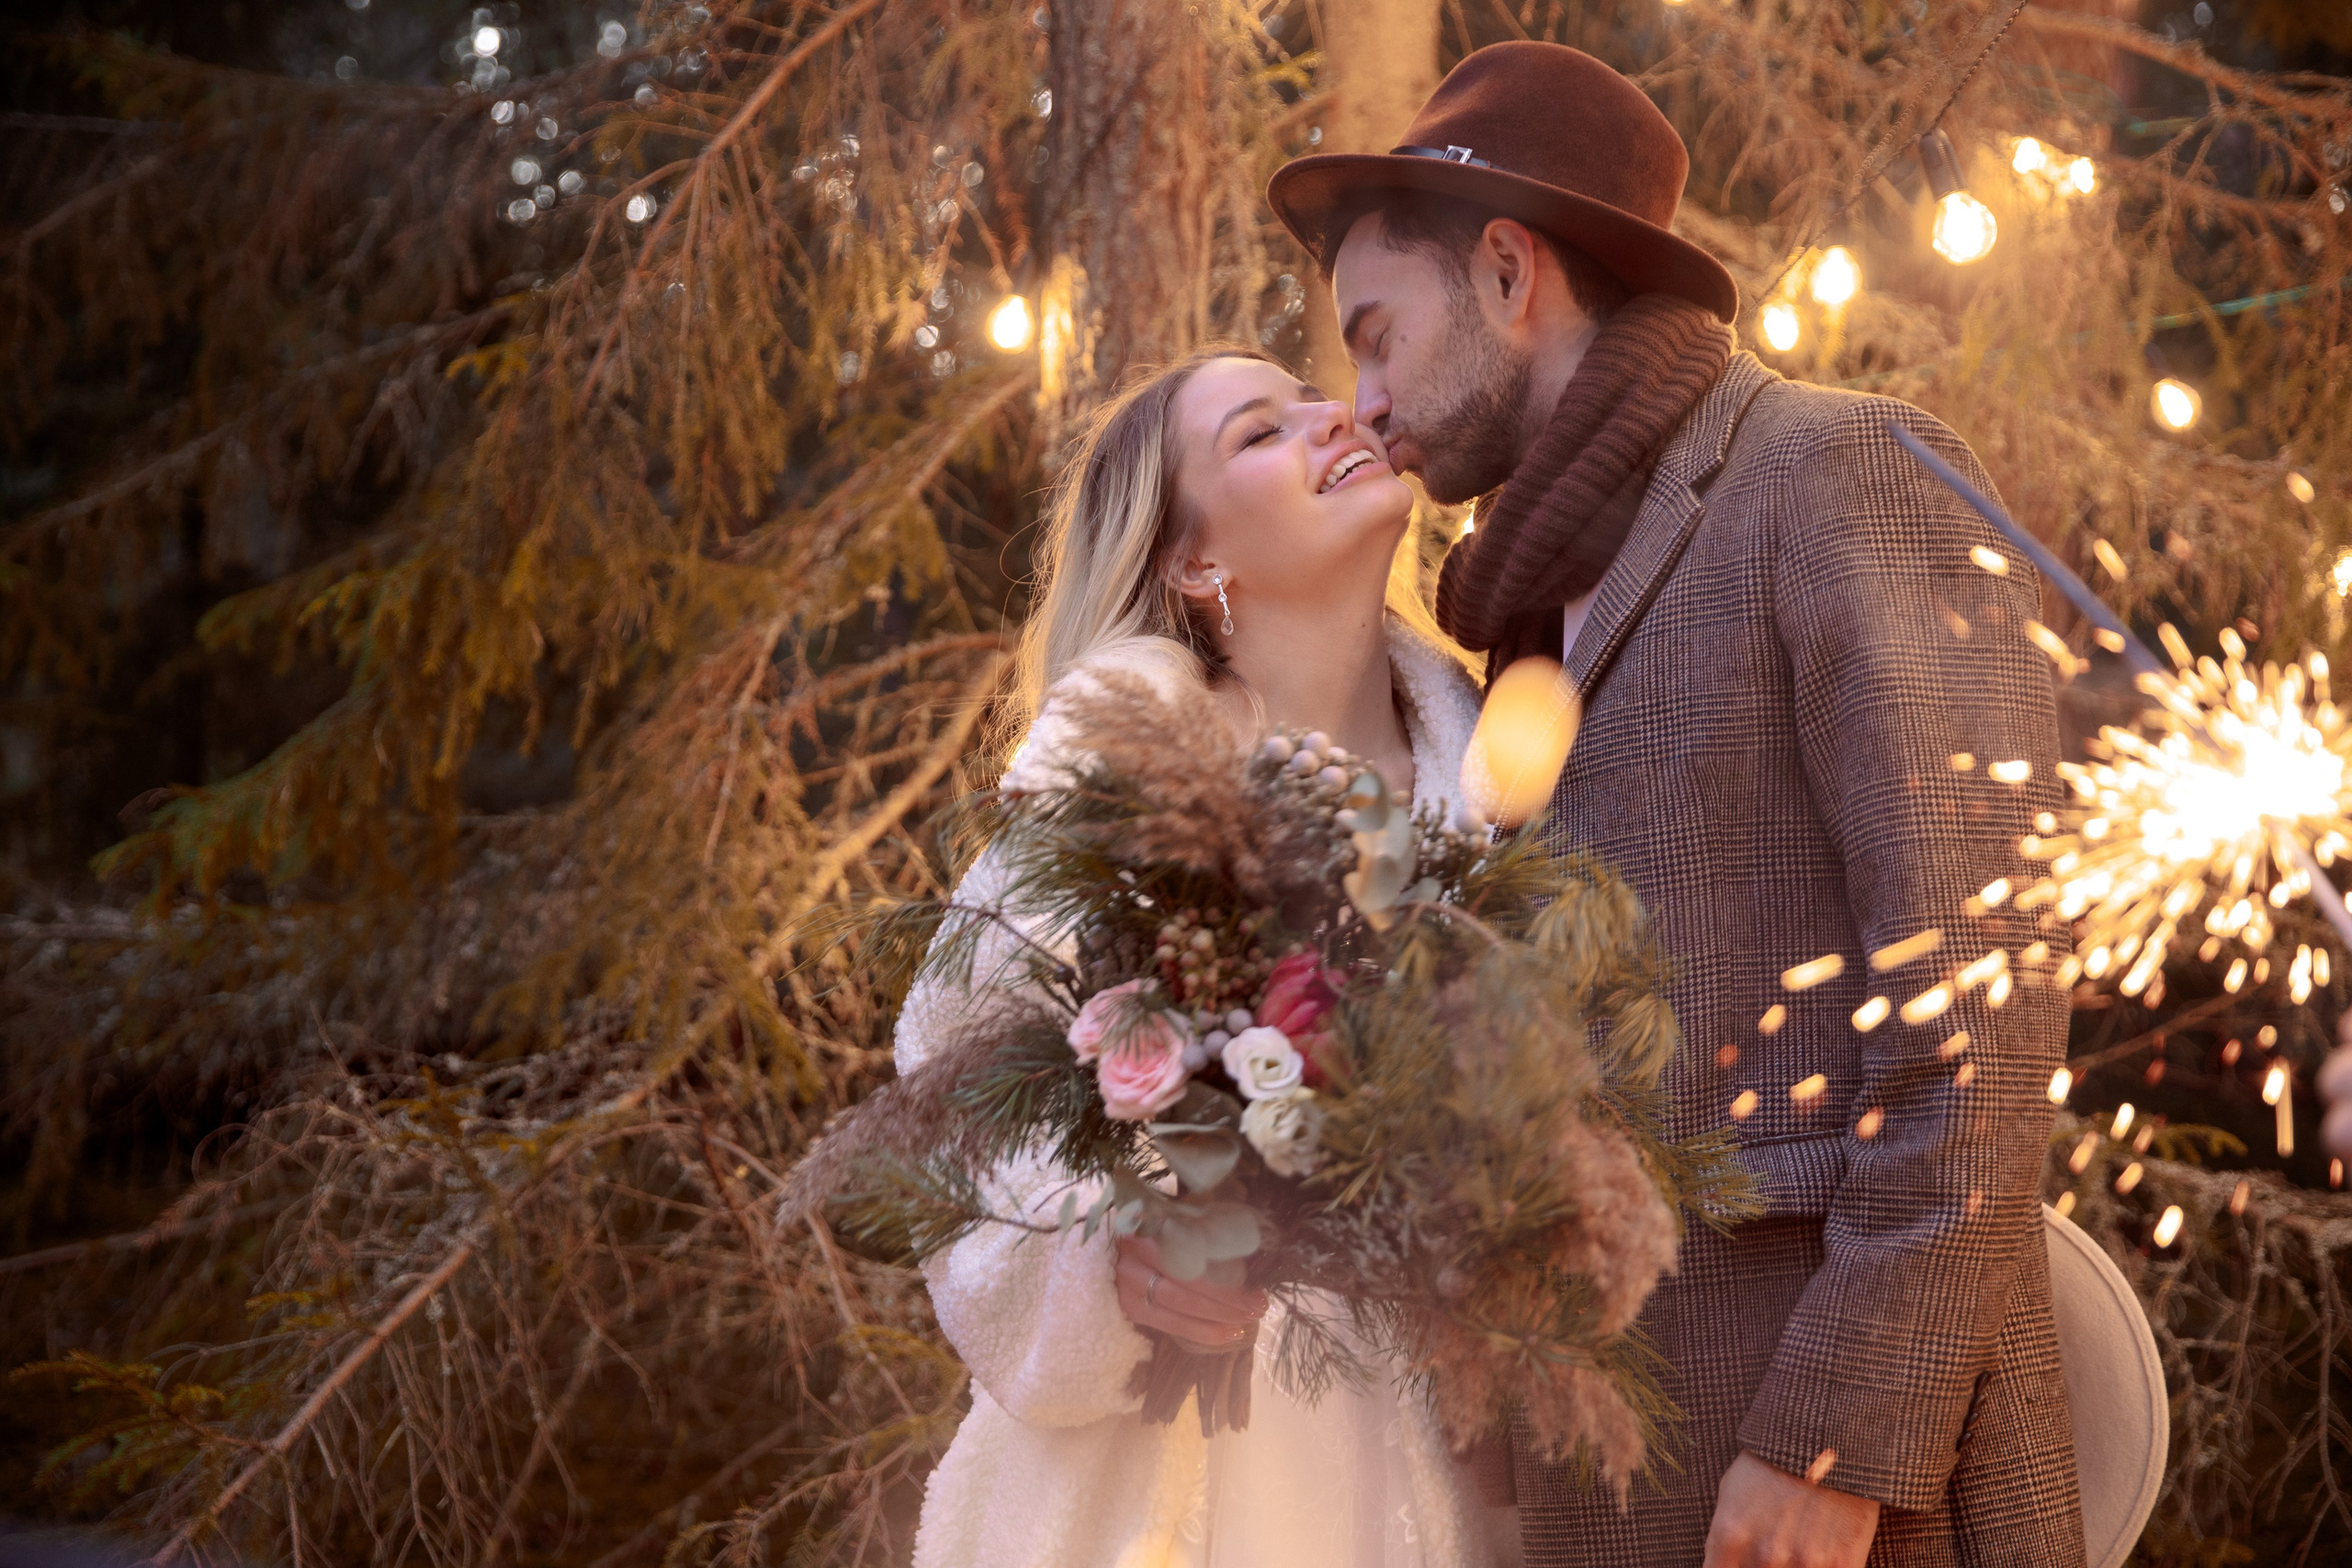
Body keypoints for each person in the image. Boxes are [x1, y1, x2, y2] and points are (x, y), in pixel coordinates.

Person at [1268, 40, 2086, 1568]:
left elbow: (1989, 993)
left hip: (1849, 1495)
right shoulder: (1518, 624)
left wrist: (1836, 1441)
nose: (1363, 404)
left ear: (1508, 271)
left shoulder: (1837, 471)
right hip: (1605, 1484)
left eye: (1378, 337)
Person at [895, 346, 1507, 1568]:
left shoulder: (1496, 787)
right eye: (1259, 432)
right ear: (1192, 561)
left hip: (1437, 1464)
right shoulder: (1115, 776)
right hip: (1161, 1467)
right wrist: (1103, 1257)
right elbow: (955, 1094)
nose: (1335, 416)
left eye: (1314, 397)